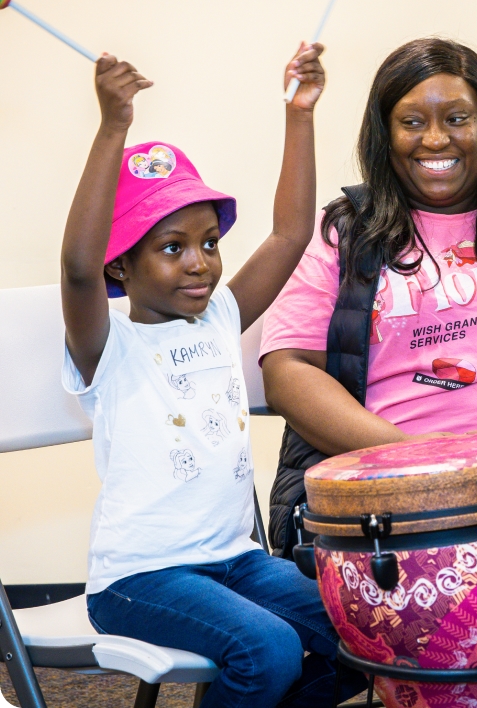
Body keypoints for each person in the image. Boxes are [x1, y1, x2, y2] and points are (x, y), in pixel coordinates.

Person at [259, 38, 477, 708]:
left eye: (456, 118)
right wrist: (416, 466)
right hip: (374, 466)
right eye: (412, 121)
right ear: (384, 134)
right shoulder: (344, 235)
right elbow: (287, 368)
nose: (435, 139)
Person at [60, 45, 366, 707]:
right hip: (140, 580)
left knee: (370, 629)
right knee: (268, 649)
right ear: (121, 265)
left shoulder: (219, 316)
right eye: (172, 248)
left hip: (236, 561)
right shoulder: (109, 345)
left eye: (208, 242)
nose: (200, 262)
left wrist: (300, 115)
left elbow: (289, 235)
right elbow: (78, 270)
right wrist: (113, 126)